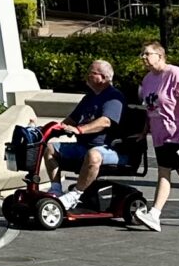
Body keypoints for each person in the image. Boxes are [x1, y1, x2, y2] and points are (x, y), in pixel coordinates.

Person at [128, 40, 179, 231]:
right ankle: (157, 215)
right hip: (160, 133)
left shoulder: (176, 74)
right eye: (142, 54)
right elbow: (150, 107)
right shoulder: (148, 79)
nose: (143, 58)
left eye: (147, 54)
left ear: (160, 55)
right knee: (165, 172)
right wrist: (145, 130)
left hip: (178, 132)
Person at [31, 58, 126, 209]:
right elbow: (71, 120)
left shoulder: (113, 97)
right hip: (84, 146)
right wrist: (51, 128)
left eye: (92, 73)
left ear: (104, 78)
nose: (87, 75)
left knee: (93, 155)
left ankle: (75, 195)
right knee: (50, 148)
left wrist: (80, 130)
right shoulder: (89, 98)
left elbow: (105, 122)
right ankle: (56, 188)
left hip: (109, 148)